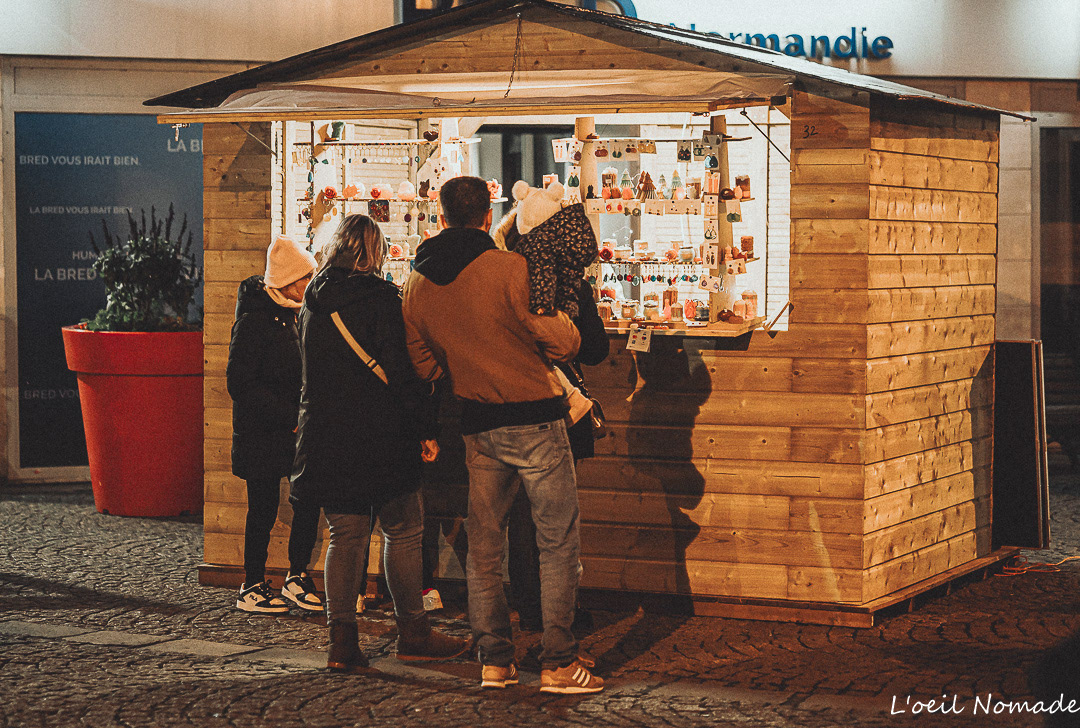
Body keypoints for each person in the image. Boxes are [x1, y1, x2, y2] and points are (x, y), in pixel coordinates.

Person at [402, 176, 604, 694]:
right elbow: (561, 341)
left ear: (441, 216)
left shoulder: (417, 283)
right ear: (488, 215)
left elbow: (423, 365)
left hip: (477, 424)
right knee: (556, 542)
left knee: (484, 548)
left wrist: (470, 363)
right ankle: (558, 663)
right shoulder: (513, 269)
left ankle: (495, 660)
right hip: (535, 417)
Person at [291, 214, 469, 673]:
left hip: (328, 436)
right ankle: (413, 632)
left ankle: (342, 642)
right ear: (375, 252)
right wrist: (427, 428)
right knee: (404, 529)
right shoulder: (383, 300)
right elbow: (403, 372)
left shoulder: (312, 298)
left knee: (344, 537)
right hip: (383, 435)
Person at [493, 206, 610, 635]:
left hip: (498, 408)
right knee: (553, 523)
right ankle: (556, 617)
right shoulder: (563, 281)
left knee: (517, 522)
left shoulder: (499, 273)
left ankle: (526, 606)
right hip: (552, 409)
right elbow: (594, 349)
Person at [227, 234, 324, 615]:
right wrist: (290, 418)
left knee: (306, 501)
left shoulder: (298, 315)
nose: (310, 285)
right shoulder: (254, 321)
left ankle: (296, 576)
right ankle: (251, 584)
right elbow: (240, 383)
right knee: (263, 508)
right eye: (305, 279)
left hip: (293, 431)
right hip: (262, 434)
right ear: (287, 280)